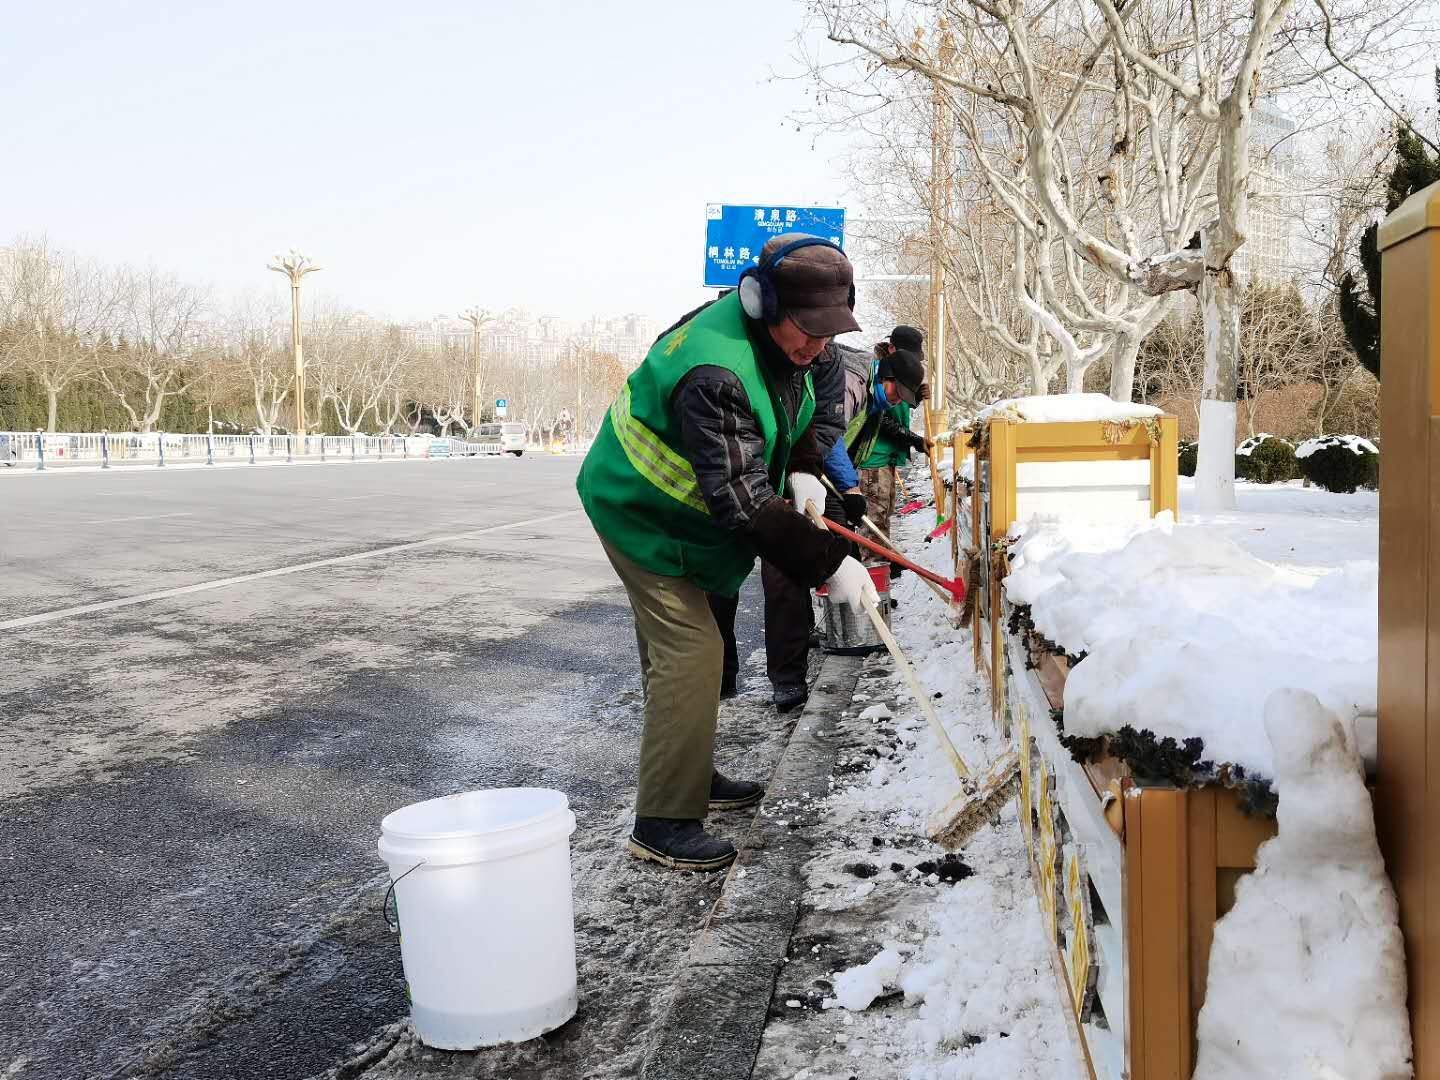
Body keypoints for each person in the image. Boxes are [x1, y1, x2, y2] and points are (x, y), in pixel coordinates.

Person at [576, 233, 879, 872]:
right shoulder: (716, 371)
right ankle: (663, 820)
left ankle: (691, 773)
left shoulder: (803, 350)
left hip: (694, 523)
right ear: (761, 302)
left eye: (830, 332)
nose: (816, 345)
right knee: (690, 650)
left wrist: (801, 466)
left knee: (698, 644)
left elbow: (814, 407)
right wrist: (831, 563)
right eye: (805, 329)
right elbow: (743, 505)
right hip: (638, 509)